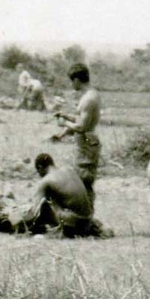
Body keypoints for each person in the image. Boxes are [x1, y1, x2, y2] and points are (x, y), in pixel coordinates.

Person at [51, 63, 102, 208]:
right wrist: (66, 117)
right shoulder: (92, 95)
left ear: (77, 80)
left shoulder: (88, 99)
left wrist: (64, 123)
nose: (72, 85)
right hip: (86, 144)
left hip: (86, 145)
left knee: (83, 180)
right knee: (82, 181)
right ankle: (86, 213)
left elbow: (81, 126)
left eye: (72, 81)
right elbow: (81, 120)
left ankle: (86, 215)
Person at [26, 153, 94, 237]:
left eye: (38, 172)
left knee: (44, 204)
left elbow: (35, 211)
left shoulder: (46, 180)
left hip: (73, 225)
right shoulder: (68, 169)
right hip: (88, 221)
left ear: (40, 168)